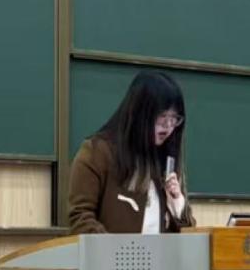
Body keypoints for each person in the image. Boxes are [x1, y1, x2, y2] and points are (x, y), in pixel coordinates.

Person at [68, 70, 196, 234]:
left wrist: (178, 207)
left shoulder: (165, 162)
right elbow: (80, 217)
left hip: (160, 251)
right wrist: (115, 250)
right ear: (140, 113)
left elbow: (189, 238)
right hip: (110, 251)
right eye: (163, 115)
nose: (168, 125)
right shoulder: (97, 152)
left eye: (174, 118)